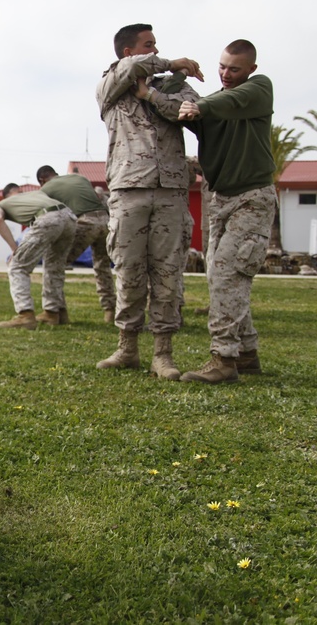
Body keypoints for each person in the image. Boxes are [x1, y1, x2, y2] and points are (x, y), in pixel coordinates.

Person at [95, 23, 203, 380]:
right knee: (128, 271)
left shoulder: (171, 86)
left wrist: (152, 96)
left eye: (156, 45)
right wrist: (172, 62)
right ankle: (127, 348)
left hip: (171, 188)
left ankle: (163, 353)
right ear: (128, 50)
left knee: (168, 272)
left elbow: (190, 110)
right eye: (149, 45)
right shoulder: (112, 84)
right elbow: (129, 71)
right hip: (128, 188)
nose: (155, 50)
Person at [177, 39, 276, 384]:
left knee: (229, 274)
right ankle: (246, 353)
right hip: (220, 199)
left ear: (251, 69)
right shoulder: (212, 107)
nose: (226, 74)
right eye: (222, 66)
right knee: (218, 276)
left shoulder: (258, 89)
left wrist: (199, 107)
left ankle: (224, 360)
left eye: (234, 68)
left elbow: (229, 100)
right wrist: (171, 76)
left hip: (252, 197)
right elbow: (183, 106)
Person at [37, 165, 115, 323]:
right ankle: (110, 311)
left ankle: (54, 312)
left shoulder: (46, 189)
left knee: (54, 264)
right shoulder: (79, 178)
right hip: (106, 222)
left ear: (41, 180)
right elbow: (98, 197)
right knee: (102, 266)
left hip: (85, 222)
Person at [0, 184, 77, 329]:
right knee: (54, 267)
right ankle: (54, 313)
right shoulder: (37, 194)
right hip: (69, 217)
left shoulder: (1, 204)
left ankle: (25, 316)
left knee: (17, 267)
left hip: (47, 218)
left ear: (6, 196)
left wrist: (15, 249)